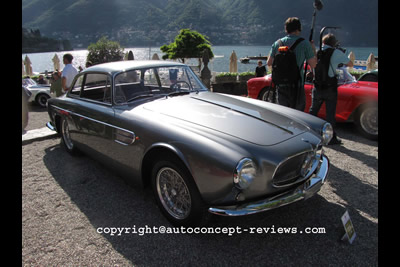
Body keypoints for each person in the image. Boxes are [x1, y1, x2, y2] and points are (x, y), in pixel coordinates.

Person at [309, 33, 353, 145]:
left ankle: (308, 133)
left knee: (313, 111)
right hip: (330, 87)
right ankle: (331, 138)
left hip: (317, 86)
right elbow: (350, 63)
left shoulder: (317, 52)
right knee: (330, 114)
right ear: (333, 43)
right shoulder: (336, 52)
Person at [267, 17, 317, 111]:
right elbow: (313, 65)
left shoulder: (277, 43)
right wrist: (313, 49)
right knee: (298, 117)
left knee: (283, 115)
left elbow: (269, 63)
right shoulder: (305, 44)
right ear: (299, 28)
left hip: (281, 85)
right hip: (297, 86)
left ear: (286, 29)